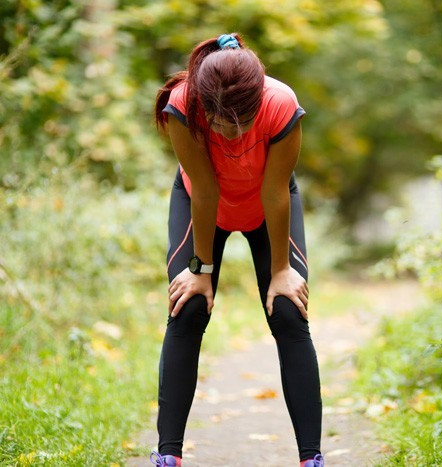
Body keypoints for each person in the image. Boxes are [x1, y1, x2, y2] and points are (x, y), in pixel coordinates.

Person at [150, 33, 324, 467]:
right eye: (222, 122)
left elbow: (275, 191)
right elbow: (205, 192)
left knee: (288, 309)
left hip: (269, 202)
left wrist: (282, 270)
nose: (233, 132)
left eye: (243, 121)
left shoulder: (281, 103)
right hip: (201, 202)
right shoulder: (182, 104)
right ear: (202, 104)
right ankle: (168, 455)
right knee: (187, 307)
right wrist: (201, 270)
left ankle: (311, 458)